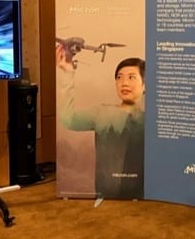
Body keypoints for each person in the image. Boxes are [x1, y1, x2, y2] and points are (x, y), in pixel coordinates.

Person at [56, 44, 145, 199]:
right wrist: (67, 72)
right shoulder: (101, 113)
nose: (124, 83)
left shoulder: (153, 120)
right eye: (119, 77)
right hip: (106, 196)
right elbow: (67, 119)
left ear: (145, 84)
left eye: (131, 77)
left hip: (144, 198)